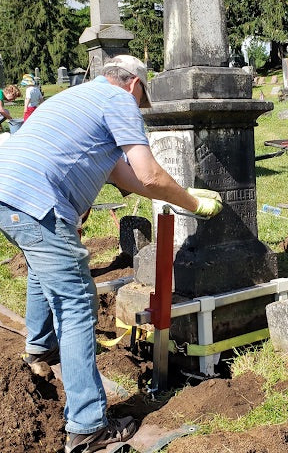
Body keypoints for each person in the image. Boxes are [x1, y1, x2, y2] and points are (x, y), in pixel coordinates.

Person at [0, 55, 223, 453]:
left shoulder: (76, 97)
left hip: (9, 194)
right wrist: (192, 203)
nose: (138, 108)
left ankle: (39, 347)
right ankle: (87, 428)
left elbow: (130, 177)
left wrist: (179, 197)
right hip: (37, 203)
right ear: (134, 84)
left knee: (42, 268)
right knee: (77, 304)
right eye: (142, 100)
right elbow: (150, 172)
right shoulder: (118, 100)